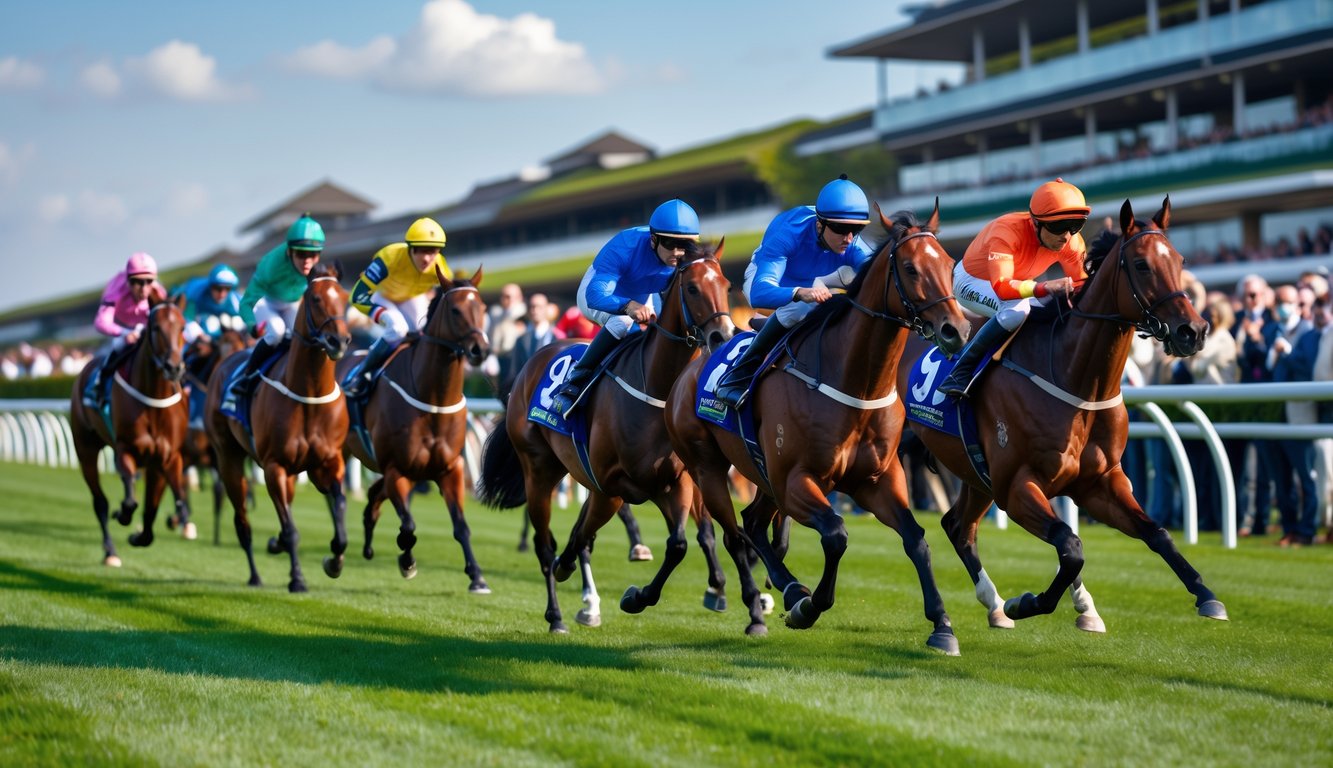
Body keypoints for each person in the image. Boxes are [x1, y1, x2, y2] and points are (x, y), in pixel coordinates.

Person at [713, 176, 876, 409]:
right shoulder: (788, 233)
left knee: (865, 278)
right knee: (800, 306)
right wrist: (800, 292)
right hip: (768, 282)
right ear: (820, 225)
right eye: (841, 229)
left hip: (814, 279)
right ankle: (739, 373)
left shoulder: (852, 244)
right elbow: (760, 293)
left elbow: (877, 278)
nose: (848, 238)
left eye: (856, 229)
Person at [937, 177, 1089, 398]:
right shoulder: (1006, 232)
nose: (1066, 236)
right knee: (1017, 312)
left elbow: (1081, 284)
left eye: (1075, 225)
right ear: (1036, 222)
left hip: (1015, 285)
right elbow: (1002, 287)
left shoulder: (1072, 243)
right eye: (1058, 227)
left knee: (1053, 314)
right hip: (971, 282)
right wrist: (1045, 287)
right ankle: (960, 372)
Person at [549, 198, 701, 416]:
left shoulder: (686, 259)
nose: (678, 252)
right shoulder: (624, 246)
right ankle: (576, 379)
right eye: (669, 244)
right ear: (653, 240)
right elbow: (596, 296)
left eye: (684, 245)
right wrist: (628, 305)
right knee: (622, 322)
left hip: (644, 294)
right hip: (603, 293)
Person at [221, 214, 325, 410]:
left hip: (292, 303)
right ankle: (245, 378)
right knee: (276, 332)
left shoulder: (315, 268)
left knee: (306, 335)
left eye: (313, 254)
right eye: (301, 254)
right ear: (290, 251)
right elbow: (246, 303)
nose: (308, 261)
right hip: (266, 302)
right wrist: (252, 326)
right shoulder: (271, 266)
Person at [343, 217, 451, 397]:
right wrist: (379, 313)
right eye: (421, 251)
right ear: (410, 248)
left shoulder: (440, 266)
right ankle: (362, 373)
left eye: (432, 252)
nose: (426, 258)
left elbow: (450, 299)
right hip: (383, 297)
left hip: (411, 298)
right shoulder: (389, 258)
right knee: (397, 328)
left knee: (423, 330)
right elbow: (357, 296)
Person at [81, 252, 164, 408]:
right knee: (117, 347)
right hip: (119, 328)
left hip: (144, 327)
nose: (144, 288)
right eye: (138, 282)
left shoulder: (158, 292)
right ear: (128, 281)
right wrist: (124, 334)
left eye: (149, 281)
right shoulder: (116, 291)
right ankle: (97, 388)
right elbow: (100, 322)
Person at [173, 264, 245, 348]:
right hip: (203, 333)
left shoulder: (235, 299)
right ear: (210, 286)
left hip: (225, 334)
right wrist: (198, 334)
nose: (222, 294)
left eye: (227, 288)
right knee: (210, 323)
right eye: (218, 288)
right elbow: (186, 318)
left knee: (237, 322)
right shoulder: (197, 294)